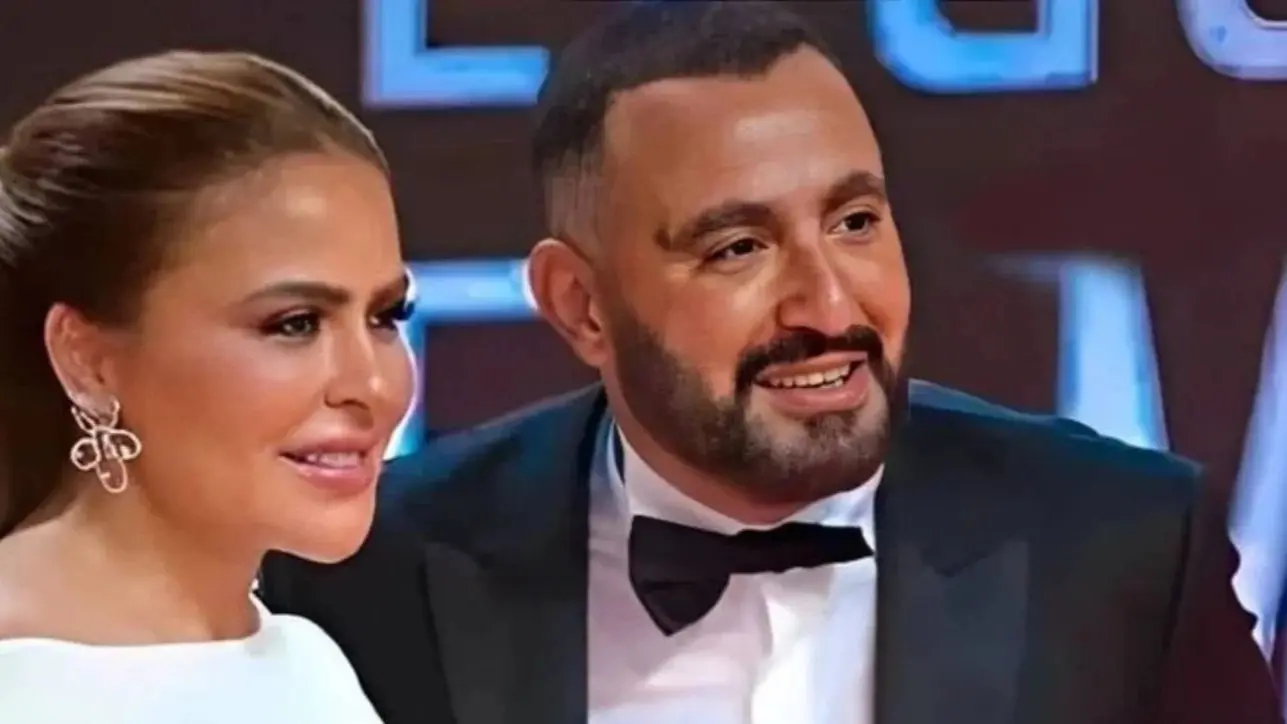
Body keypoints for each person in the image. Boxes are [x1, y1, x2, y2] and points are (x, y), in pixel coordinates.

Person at [260, 3, 1283, 723]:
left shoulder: (1121, 552)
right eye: (737, 248)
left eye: (854, 222)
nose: (829, 307)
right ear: (580, 305)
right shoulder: (374, 575)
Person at [0, 50, 413, 722]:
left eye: (386, 316)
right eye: (295, 323)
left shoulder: (306, 662)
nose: (372, 383)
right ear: (88, 361)